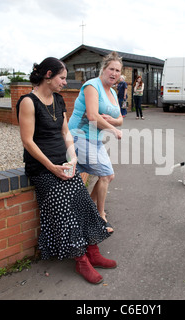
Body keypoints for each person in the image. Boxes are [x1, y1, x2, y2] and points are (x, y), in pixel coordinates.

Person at [17, 57, 116, 285]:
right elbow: (27, 141)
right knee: (64, 205)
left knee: (82, 200)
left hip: (63, 163)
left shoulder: (59, 101)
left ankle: (93, 251)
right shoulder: (28, 102)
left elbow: (65, 133)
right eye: (62, 78)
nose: (64, 82)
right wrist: (51, 167)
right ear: (48, 75)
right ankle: (81, 260)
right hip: (42, 168)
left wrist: (72, 158)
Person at [68, 52, 123, 234]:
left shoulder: (113, 92)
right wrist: (113, 129)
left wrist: (112, 122)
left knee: (108, 175)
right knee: (106, 175)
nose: (114, 73)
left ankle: (88, 209)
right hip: (78, 136)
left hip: (95, 139)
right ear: (104, 69)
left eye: (117, 70)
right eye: (111, 69)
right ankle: (99, 216)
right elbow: (92, 116)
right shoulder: (92, 86)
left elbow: (120, 118)